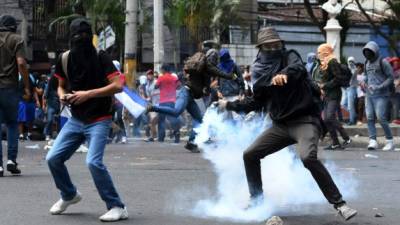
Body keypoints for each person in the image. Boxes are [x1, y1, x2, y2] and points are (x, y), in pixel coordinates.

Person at [218, 27, 357, 220]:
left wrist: (284, 73)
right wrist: (229, 105)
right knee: (250, 155)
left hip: (305, 120)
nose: (274, 48)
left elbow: (297, 68)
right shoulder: (259, 70)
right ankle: (256, 201)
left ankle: (340, 204)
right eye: (269, 46)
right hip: (281, 126)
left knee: (308, 157)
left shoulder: (290, 56)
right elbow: (255, 101)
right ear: (261, 48)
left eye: (276, 44)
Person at [45, 18, 128, 221]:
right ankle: (69, 194)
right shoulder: (65, 59)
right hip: (76, 119)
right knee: (53, 158)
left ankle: (117, 206)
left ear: (90, 36)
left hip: (100, 118)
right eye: (76, 36)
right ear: (70, 38)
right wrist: (63, 95)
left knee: (93, 162)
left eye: (84, 35)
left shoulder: (101, 57)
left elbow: (118, 85)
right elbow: (60, 84)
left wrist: (88, 94)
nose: (80, 39)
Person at [148, 41, 237, 152]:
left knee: (201, 120)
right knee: (176, 111)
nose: (215, 61)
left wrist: (206, 91)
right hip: (185, 93)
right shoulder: (207, 66)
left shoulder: (203, 69)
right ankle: (153, 107)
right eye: (215, 58)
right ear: (212, 58)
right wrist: (232, 76)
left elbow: (205, 86)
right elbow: (220, 73)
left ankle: (191, 143)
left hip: (190, 96)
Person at [0, 15, 31, 176]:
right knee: (12, 124)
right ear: (13, 26)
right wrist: (26, 86)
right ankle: (11, 160)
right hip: (10, 88)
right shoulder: (17, 40)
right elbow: (21, 63)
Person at [362, 41, 395, 151]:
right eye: (365, 52)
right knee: (370, 117)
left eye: (369, 52)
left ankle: (390, 141)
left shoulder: (383, 62)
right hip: (369, 95)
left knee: (381, 117)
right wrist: (364, 81)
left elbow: (391, 78)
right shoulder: (366, 62)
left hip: (382, 95)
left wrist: (379, 87)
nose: (367, 54)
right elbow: (366, 75)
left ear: (375, 51)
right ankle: (373, 141)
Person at [317, 44, 351, 150]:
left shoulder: (332, 61)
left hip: (334, 94)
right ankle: (335, 142)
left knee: (330, 117)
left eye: (320, 52)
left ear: (326, 51)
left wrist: (325, 85)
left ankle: (346, 138)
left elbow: (338, 78)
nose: (318, 54)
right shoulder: (325, 63)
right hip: (327, 94)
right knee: (326, 119)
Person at [155, 64, 181, 143]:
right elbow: (179, 86)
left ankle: (161, 137)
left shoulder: (161, 77)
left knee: (161, 120)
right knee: (173, 119)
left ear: (163, 70)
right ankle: (177, 135)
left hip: (163, 102)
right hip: (172, 101)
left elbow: (156, 86)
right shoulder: (174, 78)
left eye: (161, 70)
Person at [43, 73, 60, 141]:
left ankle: (58, 134)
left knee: (58, 121)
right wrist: (44, 105)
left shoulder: (60, 83)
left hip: (58, 105)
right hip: (51, 104)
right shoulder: (50, 84)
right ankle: (47, 134)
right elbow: (45, 95)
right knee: (50, 120)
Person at [145, 69, 159, 142]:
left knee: (156, 120)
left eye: (151, 74)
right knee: (152, 121)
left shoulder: (157, 82)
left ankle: (173, 131)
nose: (150, 75)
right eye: (148, 74)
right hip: (152, 104)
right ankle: (153, 136)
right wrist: (148, 99)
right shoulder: (147, 85)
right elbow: (149, 96)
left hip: (159, 103)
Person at [345, 56, 358, 125]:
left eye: (352, 61)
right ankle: (354, 115)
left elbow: (351, 76)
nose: (350, 63)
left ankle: (352, 120)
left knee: (350, 106)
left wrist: (351, 67)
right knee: (343, 103)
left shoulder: (355, 69)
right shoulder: (347, 68)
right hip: (347, 88)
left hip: (352, 88)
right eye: (349, 61)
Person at [389, 57, 400, 124]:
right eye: (394, 62)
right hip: (391, 91)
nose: (395, 63)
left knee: (396, 105)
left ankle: (396, 118)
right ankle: (392, 119)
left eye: (397, 62)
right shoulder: (390, 71)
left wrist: (395, 85)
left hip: (398, 90)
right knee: (392, 105)